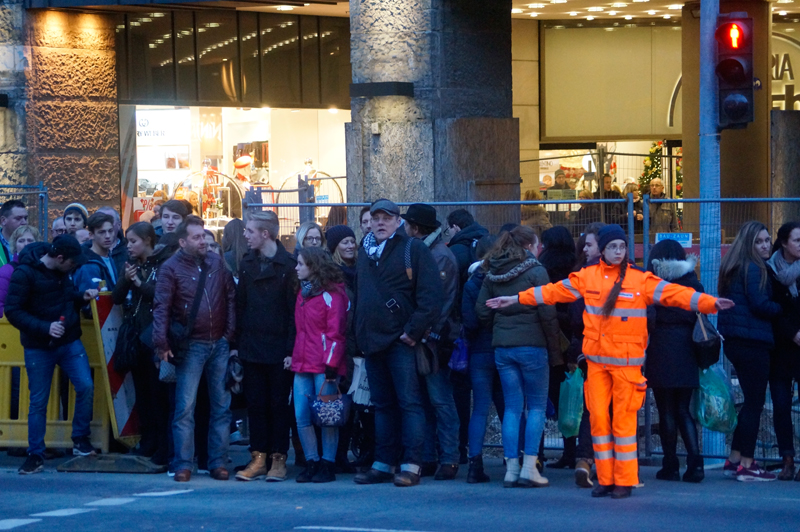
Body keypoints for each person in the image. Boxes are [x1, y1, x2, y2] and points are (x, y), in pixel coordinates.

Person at [487, 224, 732, 498]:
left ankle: (624, 481)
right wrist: (516, 299)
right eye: (613, 247)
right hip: (597, 364)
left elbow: (675, 294)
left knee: (623, 425)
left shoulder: (640, 279)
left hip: (627, 366)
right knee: (599, 422)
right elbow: (553, 292)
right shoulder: (588, 276)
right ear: (603, 250)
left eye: (622, 246)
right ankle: (605, 478)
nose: (618, 251)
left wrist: (709, 303)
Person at [353, 199, 443, 488]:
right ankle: (383, 463)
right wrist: (360, 335)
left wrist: (412, 332)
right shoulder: (365, 252)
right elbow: (360, 295)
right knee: (382, 406)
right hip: (372, 342)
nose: (380, 222)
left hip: (401, 342)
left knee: (409, 404)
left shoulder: (412, 249)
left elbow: (431, 296)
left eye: (386, 217)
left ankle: (411, 464)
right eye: (376, 217)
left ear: (398, 221)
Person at [476, 225, 561, 488]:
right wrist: (555, 349)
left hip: (503, 347)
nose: (540, 249)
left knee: (512, 408)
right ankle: (529, 467)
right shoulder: (536, 271)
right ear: (528, 246)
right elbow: (547, 313)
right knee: (536, 407)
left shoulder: (492, 271)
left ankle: (511, 469)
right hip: (533, 346)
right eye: (537, 244)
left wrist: (499, 327)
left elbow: (482, 311)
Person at [153, 216, 236, 483]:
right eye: (197, 237)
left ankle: (218, 462)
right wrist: (161, 343)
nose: (203, 241)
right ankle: (183, 463)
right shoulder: (170, 267)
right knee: (185, 408)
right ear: (182, 242)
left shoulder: (216, 262)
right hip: (191, 345)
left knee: (221, 407)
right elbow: (161, 306)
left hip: (218, 343)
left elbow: (230, 296)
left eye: (203, 235)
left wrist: (228, 334)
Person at [5, 235, 98, 474]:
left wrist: (80, 296)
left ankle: (74, 441)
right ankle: (37, 452)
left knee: (84, 386)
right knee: (39, 400)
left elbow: (64, 296)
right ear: (59, 258)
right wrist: (45, 327)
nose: (74, 267)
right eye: (72, 263)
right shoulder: (25, 273)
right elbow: (13, 311)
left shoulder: (57, 269)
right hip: (42, 344)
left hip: (63, 340)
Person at [232, 211, 297, 482]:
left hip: (279, 347)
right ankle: (258, 457)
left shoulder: (289, 266)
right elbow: (240, 305)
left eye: (250, 231)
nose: (245, 235)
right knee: (256, 404)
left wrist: (291, 350)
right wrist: (236, 344)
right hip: (252, 345)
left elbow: (293, 313)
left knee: (278, 405)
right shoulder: (247, 263)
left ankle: (278, 458)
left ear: (265, 234)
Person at [718, 221, 782, 482]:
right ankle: (747, 464)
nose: (765, 246)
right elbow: (760, 304)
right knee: (755, 404)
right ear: (749, 244)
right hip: (752, 342)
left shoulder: (734, 266)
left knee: (750, 403)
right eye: (759, 241)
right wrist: (782, 307)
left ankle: (734, 459)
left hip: (737, 341)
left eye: (767, 240)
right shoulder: (755, 268)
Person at [402, 203, 461, 480]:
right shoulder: (426, 252)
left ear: (415, 228)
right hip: (424, 336)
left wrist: (423, 333)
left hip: (434, 341)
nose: (403, 228)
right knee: (425, 400)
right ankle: (429, 457)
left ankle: (449, 458)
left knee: (439, 400)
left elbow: (440, 303)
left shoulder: (438, 256)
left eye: (407, 224)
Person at [645, 239, 705, 483]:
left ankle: (670, 465)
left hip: (660, 347)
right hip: (687, 348)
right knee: (683, 409)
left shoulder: (652, 284)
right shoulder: (693, 282)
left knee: (666, 410)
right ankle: (696, 463)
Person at [111, 222, 169, 465]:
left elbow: (159, 295)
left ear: (147, 240)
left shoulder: (163, 264)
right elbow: (116, 297)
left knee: (158, 395)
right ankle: (147, 441)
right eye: (127, 241)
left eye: (133, 241)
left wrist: (138, 283)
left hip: (155, 336)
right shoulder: (131, 264)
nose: (129, 246)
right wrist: (126, 280)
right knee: (142, 393)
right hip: (136, 336)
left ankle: (163, 446)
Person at [291, 246, 349, 483]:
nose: (296, 268)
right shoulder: (303, 293)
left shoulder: (332, 294)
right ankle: (312, 461)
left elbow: (336, 332)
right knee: (301, 416)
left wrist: (332, 364)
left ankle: (327, 463)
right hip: (303, 361)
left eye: (301, 264)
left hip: (323, 364)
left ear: (313, 266)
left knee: (327, 417)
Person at [461, 234, 504, 483]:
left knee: (479, 409)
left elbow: (469, 322)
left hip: (479, 350)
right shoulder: (505, 279)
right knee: (509, 408)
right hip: (503, 348)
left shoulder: (471, 284)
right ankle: (513, 460)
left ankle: (474, 464)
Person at [568, 222, 605, 488]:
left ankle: (585, 460)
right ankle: (606, 464)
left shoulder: (582, 276)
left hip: (590, 349)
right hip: (617, 353)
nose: (585, 249)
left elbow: (574, 316)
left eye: (589, 245)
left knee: (592, 408)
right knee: (614, 411)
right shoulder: (629, 274)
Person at [537, 226, 577, 470]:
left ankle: (540, 453)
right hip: (573, 339)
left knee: (545, 398)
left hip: (550, 338)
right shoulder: (576, 267)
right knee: (571, 396)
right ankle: (573, 451)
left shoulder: (543, 267)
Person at [766, 221, 800, 482]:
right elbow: (772, 308)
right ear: (785, 243)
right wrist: (792, 333)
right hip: (780, 348)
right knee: (781, 406)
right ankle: (787, 460)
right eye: (797, 240)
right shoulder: (770, 270)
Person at [74, 212, 119, 292]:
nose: (107, 236)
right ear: (91, 235)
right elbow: (93, 297)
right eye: (102, 232)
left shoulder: (109, 257)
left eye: (110, 231)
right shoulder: (88, 265)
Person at [446, 208, 489, 285]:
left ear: (455, 228)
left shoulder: (454, 250)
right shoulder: (486, 241)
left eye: (448, 229)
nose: (448, 233)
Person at [96, 206, 129, 277]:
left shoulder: (129, 250)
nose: (105, 225)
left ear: (119, 224)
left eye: (109, 221)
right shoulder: (86, 253)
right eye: (101, 221)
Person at [0, 199, 28, 265]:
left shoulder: (32, 242)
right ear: (3, 221)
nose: (24, 222)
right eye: (18, 218)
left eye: (25, 218)